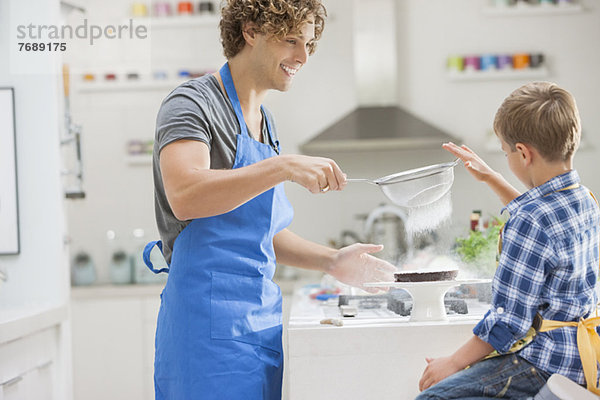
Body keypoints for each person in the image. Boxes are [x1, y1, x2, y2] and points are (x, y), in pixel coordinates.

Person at [142, 1, 396, 399]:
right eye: (291, 40)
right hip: (204, 335)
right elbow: (186, 196)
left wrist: (332, 262)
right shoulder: (192, 103)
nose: (302, 56)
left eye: (309, 43)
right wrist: (282, 167)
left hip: (260, 326)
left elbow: (257, 230)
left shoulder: (265, 123)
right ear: (250, 31)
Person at [417, 81, 600, 399]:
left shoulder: (529, 220)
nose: (506, 161)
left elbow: (509, 322)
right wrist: (493, 178)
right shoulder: (585, 199)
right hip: (584, 358)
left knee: (431, 398)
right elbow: (547, 222)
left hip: (545, 363)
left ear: (523, 153)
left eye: (506, 154)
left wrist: (453, 363)